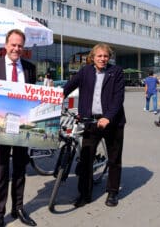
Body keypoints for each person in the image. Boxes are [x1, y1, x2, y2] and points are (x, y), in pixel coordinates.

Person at [0, 29, 37, 227]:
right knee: (1, 170)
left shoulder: (30, 68)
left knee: (20, 168)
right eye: (13, 45)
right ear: (6, 45)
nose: (16, 49)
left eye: (20, 45)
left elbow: (34, 97)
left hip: (22, 127)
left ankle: (19, 208)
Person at [63, 43, 126, 208]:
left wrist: (108, 117)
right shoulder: (85, 71)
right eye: (99, 56)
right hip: (90, 122)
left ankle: (112, 192)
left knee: (114, 158)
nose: (103, 59)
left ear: (109, 57)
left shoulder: (116, 72)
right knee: (86, 159)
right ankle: (85, 194)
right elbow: (68, 87)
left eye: (106, 56)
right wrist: (52, 98)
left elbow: (118, 98)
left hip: (112, 122)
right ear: (93, 57)